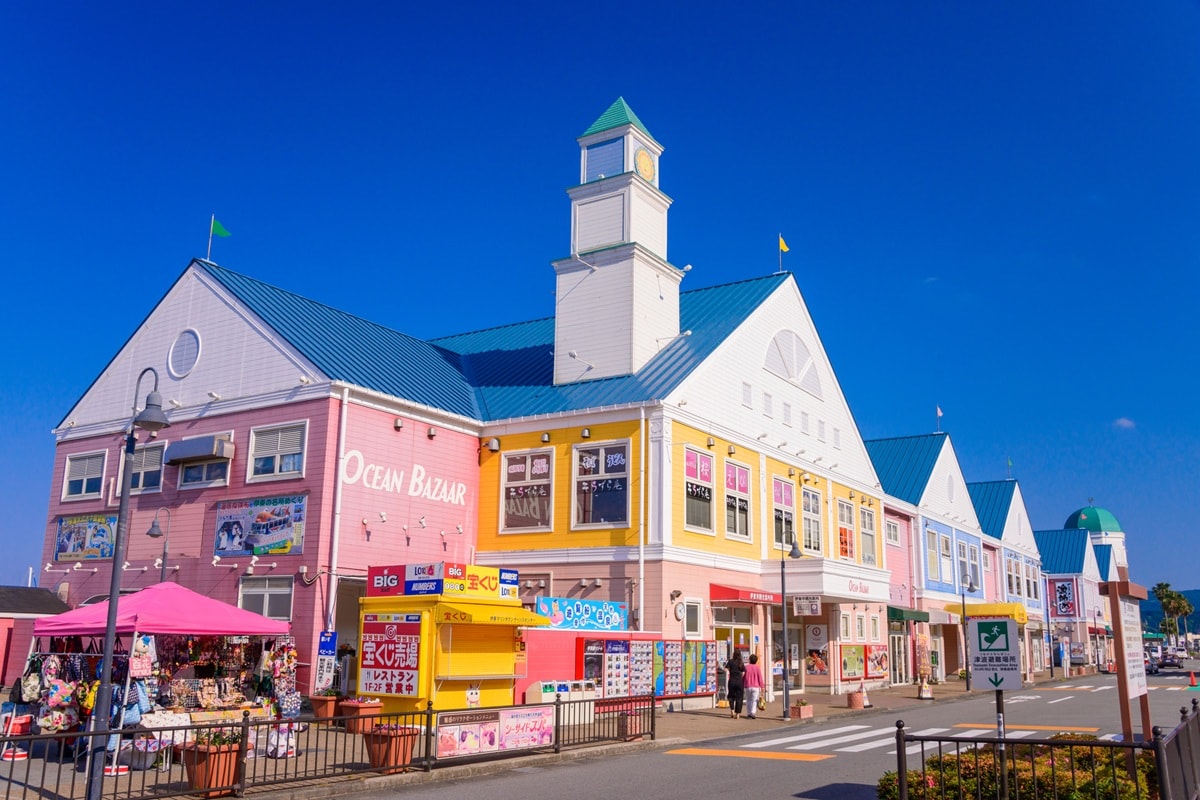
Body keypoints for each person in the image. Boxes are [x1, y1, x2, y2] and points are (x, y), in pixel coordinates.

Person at [725, 650, 747, 719]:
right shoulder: (741, 662)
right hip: (739, 682)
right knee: (739, 697)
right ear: (740, 655)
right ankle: (737, 714)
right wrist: (740, 676)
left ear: (733, 654)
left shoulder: (731, 661)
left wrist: (729, 671)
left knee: (731, 696)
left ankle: (732, 710)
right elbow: (743, 672)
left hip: (732, 681)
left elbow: (725, 669)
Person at [743, 653, 765, 719]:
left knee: (748, 700)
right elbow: (760, 678)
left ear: (750, 660)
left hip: (747, 686)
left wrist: (742, 684)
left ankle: (749, 713)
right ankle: (753, 713)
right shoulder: (757, 667)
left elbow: (744, 677)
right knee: (754, 700)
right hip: (755, 686)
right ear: (756, 660)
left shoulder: (746, 667)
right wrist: (762, 686)